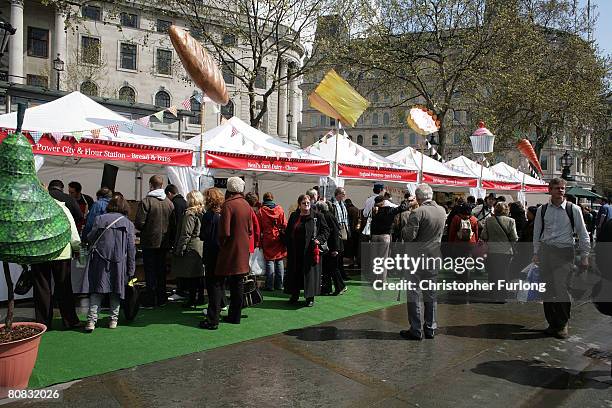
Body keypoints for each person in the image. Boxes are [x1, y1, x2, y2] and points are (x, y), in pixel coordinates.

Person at [533, 177, 590, 339]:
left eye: (563, 188)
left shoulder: (573, 209)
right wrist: (536, 253)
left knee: (561, 287)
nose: (560, 191)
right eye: (557, 188)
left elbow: (583, 234)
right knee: (547, 288)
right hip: (546, 251)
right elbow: (537, 233)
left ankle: (563, 323)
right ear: (550, 190)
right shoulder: (542, 210)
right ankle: (552, 323)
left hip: (564, 252)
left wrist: (585, 255)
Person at [200, 177, 252, 329]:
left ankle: (212, 320)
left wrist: (223, 246)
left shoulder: (228, 205)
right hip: (242, 251)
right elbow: (250, 230)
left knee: (216, 283)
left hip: (228, 251)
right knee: (237, 284)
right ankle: (234, 316)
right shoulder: (246, 205)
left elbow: (224, 233)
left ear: (229, 189)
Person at [400, 184, 447, 340]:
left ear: (419, 197)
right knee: (431, 294)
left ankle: (415, 329)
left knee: (413, 294)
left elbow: (408, 236)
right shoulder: (442, 211)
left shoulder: (417, 212)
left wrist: (404, 226)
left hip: (416, 258)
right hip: (434, 256)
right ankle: (430, 327)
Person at [84, 196, 136, 332]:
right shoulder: (128, 224)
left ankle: (91, 321)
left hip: (99, 260)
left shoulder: (99, 219)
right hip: (119, 261)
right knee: (116, 290)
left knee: (96, 290)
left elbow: (90, 237)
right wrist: (131, 270)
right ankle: (113, 320)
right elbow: (131, 248)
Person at [31, 196, 82, 330]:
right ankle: (70, 320)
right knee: (64, 287)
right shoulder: (62, 208)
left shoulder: (32, 208)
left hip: (39, 253)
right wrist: (76, 248)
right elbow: (72, 232)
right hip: (61, 252)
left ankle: (43, 322)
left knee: (42, 288)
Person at [135, 175, 175, 308]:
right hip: (164, 242)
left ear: (150, 185)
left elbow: (139, 223)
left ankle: (151, 299)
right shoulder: (169, 203)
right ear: (162, 185)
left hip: (150, 242)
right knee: (161, 270)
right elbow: (174, 224)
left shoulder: (146, 201)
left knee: (150, 271)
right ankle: (162, 298)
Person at [285, 194, 329, 307]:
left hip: (310, 251)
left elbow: (326, 230)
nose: (306, 205)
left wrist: (319, 240)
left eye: (308, 203)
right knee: (295, 273)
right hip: (295, 251)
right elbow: (289, 231)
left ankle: (310, 298)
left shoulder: (317, 216)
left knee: (309, 275)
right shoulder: (294, 216)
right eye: (304, 203)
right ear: (299, 204)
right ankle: (294, 295)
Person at [172, 191, 205, 309]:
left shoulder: (190, 214)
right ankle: (200, 297)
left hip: (191, 246)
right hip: (200, 245)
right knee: (199, 274)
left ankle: (192, 299)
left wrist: (180, 248)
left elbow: (186, 233)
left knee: (191, 275)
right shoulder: (203, 212)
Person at [481, 202, 518, 302]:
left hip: (492, 251)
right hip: (506, 252)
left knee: (492, 273)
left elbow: (484, 236)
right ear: (506, 210)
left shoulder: (489, 220)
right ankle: (503, 295)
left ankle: (493, 294)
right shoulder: (511, 221)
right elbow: (514, 238)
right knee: (504, 273)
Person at [199, 188, 225, 326]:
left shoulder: (209, 215)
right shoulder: (223, 214)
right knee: (219, 284)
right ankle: (216, 312)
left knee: (212, 286)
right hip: (222, 252)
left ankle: (212, 318)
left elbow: (204, 235)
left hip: (212, 252)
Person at [370, 195, 409, 282]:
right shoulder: (389, 210)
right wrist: (406, 200)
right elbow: (402, 208)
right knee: (383, 259)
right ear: (383, 202)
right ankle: (382, 280)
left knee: (375, 258)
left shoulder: (374, 210)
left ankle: (374, 278)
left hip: (374, 236)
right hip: (384, 236)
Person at [316, 201, 347, 296]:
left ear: (319, 209)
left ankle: (339, 287)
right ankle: (328, 288)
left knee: (333, 268)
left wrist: (335, 249)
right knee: (329, 268)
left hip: (333, 247)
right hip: (331, 247)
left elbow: (335, 233)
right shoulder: (328, 215)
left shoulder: (327, 216)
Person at [258, 192, 287, 291]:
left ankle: (269, 285)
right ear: (272, 198)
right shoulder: (279, 209)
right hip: (278, 237)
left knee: (270, 261)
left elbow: (258, 227)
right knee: (279, 260)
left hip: (267, 237)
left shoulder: (261, 211)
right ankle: (279, 285)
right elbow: (284, 224)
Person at [329, 187, 350, 280]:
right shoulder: (332, 204)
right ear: (338, 194)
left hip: (343, 228)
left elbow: (346, 218)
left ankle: (341, 271)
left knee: (341, 251)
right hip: (336, 229)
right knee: (337, 251)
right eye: (343, 193)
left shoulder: (343, 204)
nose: (344, 195)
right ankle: (338, 272)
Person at [344, 199, 361, 267]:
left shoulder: (348, 210)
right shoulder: (356, 209)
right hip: (357, 231)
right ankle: (357, 261)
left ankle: (351, 262)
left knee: (350, 248)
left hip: (350, 231)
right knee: (356, 247)